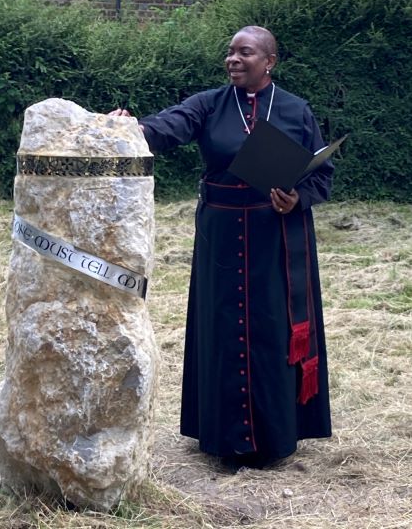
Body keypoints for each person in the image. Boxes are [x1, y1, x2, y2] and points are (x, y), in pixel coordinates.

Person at [110, 25, 333, 469]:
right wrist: (131, 128)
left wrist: (297, 199)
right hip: (220, 234)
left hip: (275, 237)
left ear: (268, 61)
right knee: (222, 325)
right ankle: (222, 437)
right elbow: (169, 125)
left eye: (244, 53)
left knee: (272, 328)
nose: (233, 59)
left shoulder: (294, 109)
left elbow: (319, 175)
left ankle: (275, 438)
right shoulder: (210, 103)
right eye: (230, 52)